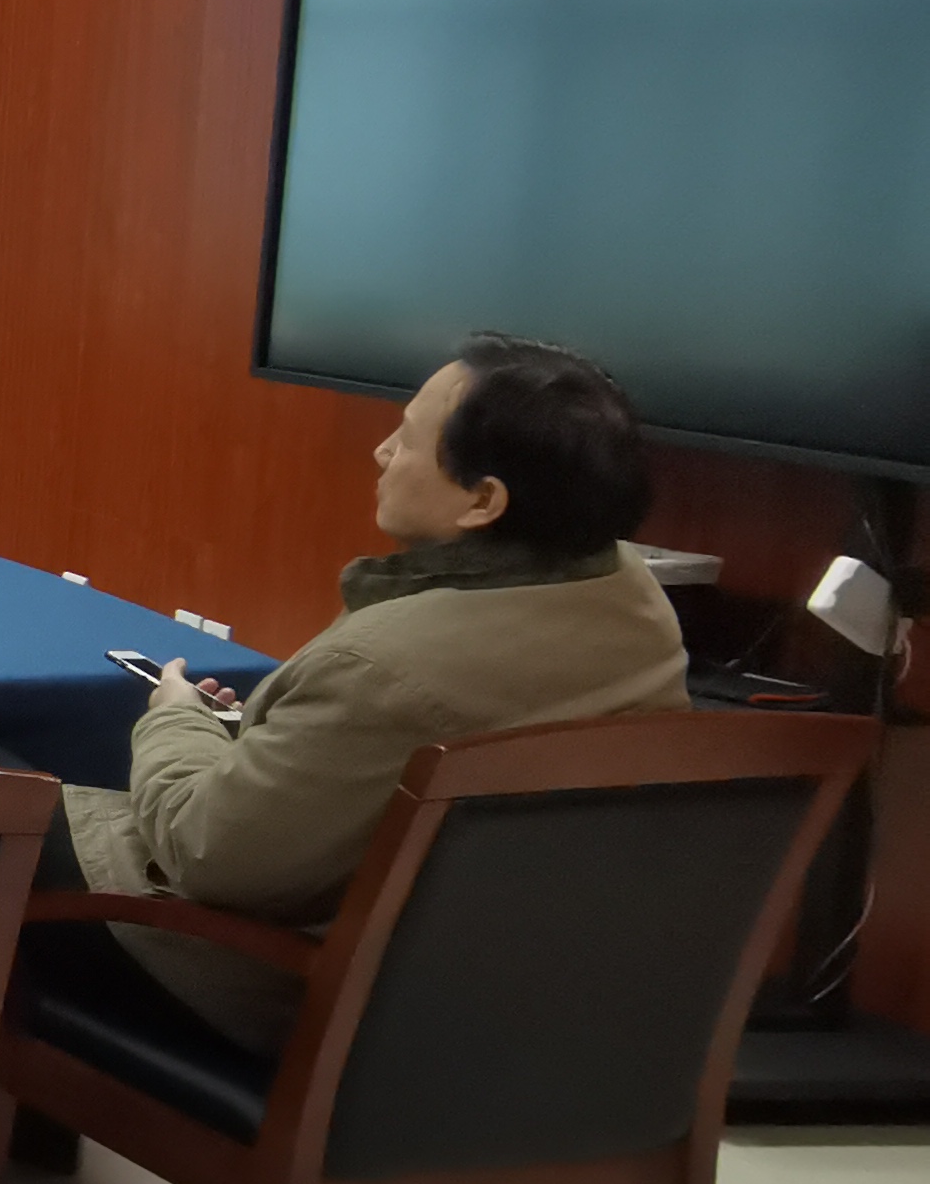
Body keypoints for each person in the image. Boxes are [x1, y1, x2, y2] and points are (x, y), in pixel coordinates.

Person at [50, 334, 687, 1054]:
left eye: (407, 439)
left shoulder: (382, 666)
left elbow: (212, 858)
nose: (382, 453)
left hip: (318, 1000)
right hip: (525, 1007)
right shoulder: (640, 603)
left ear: (483, 500)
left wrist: (175, 720)